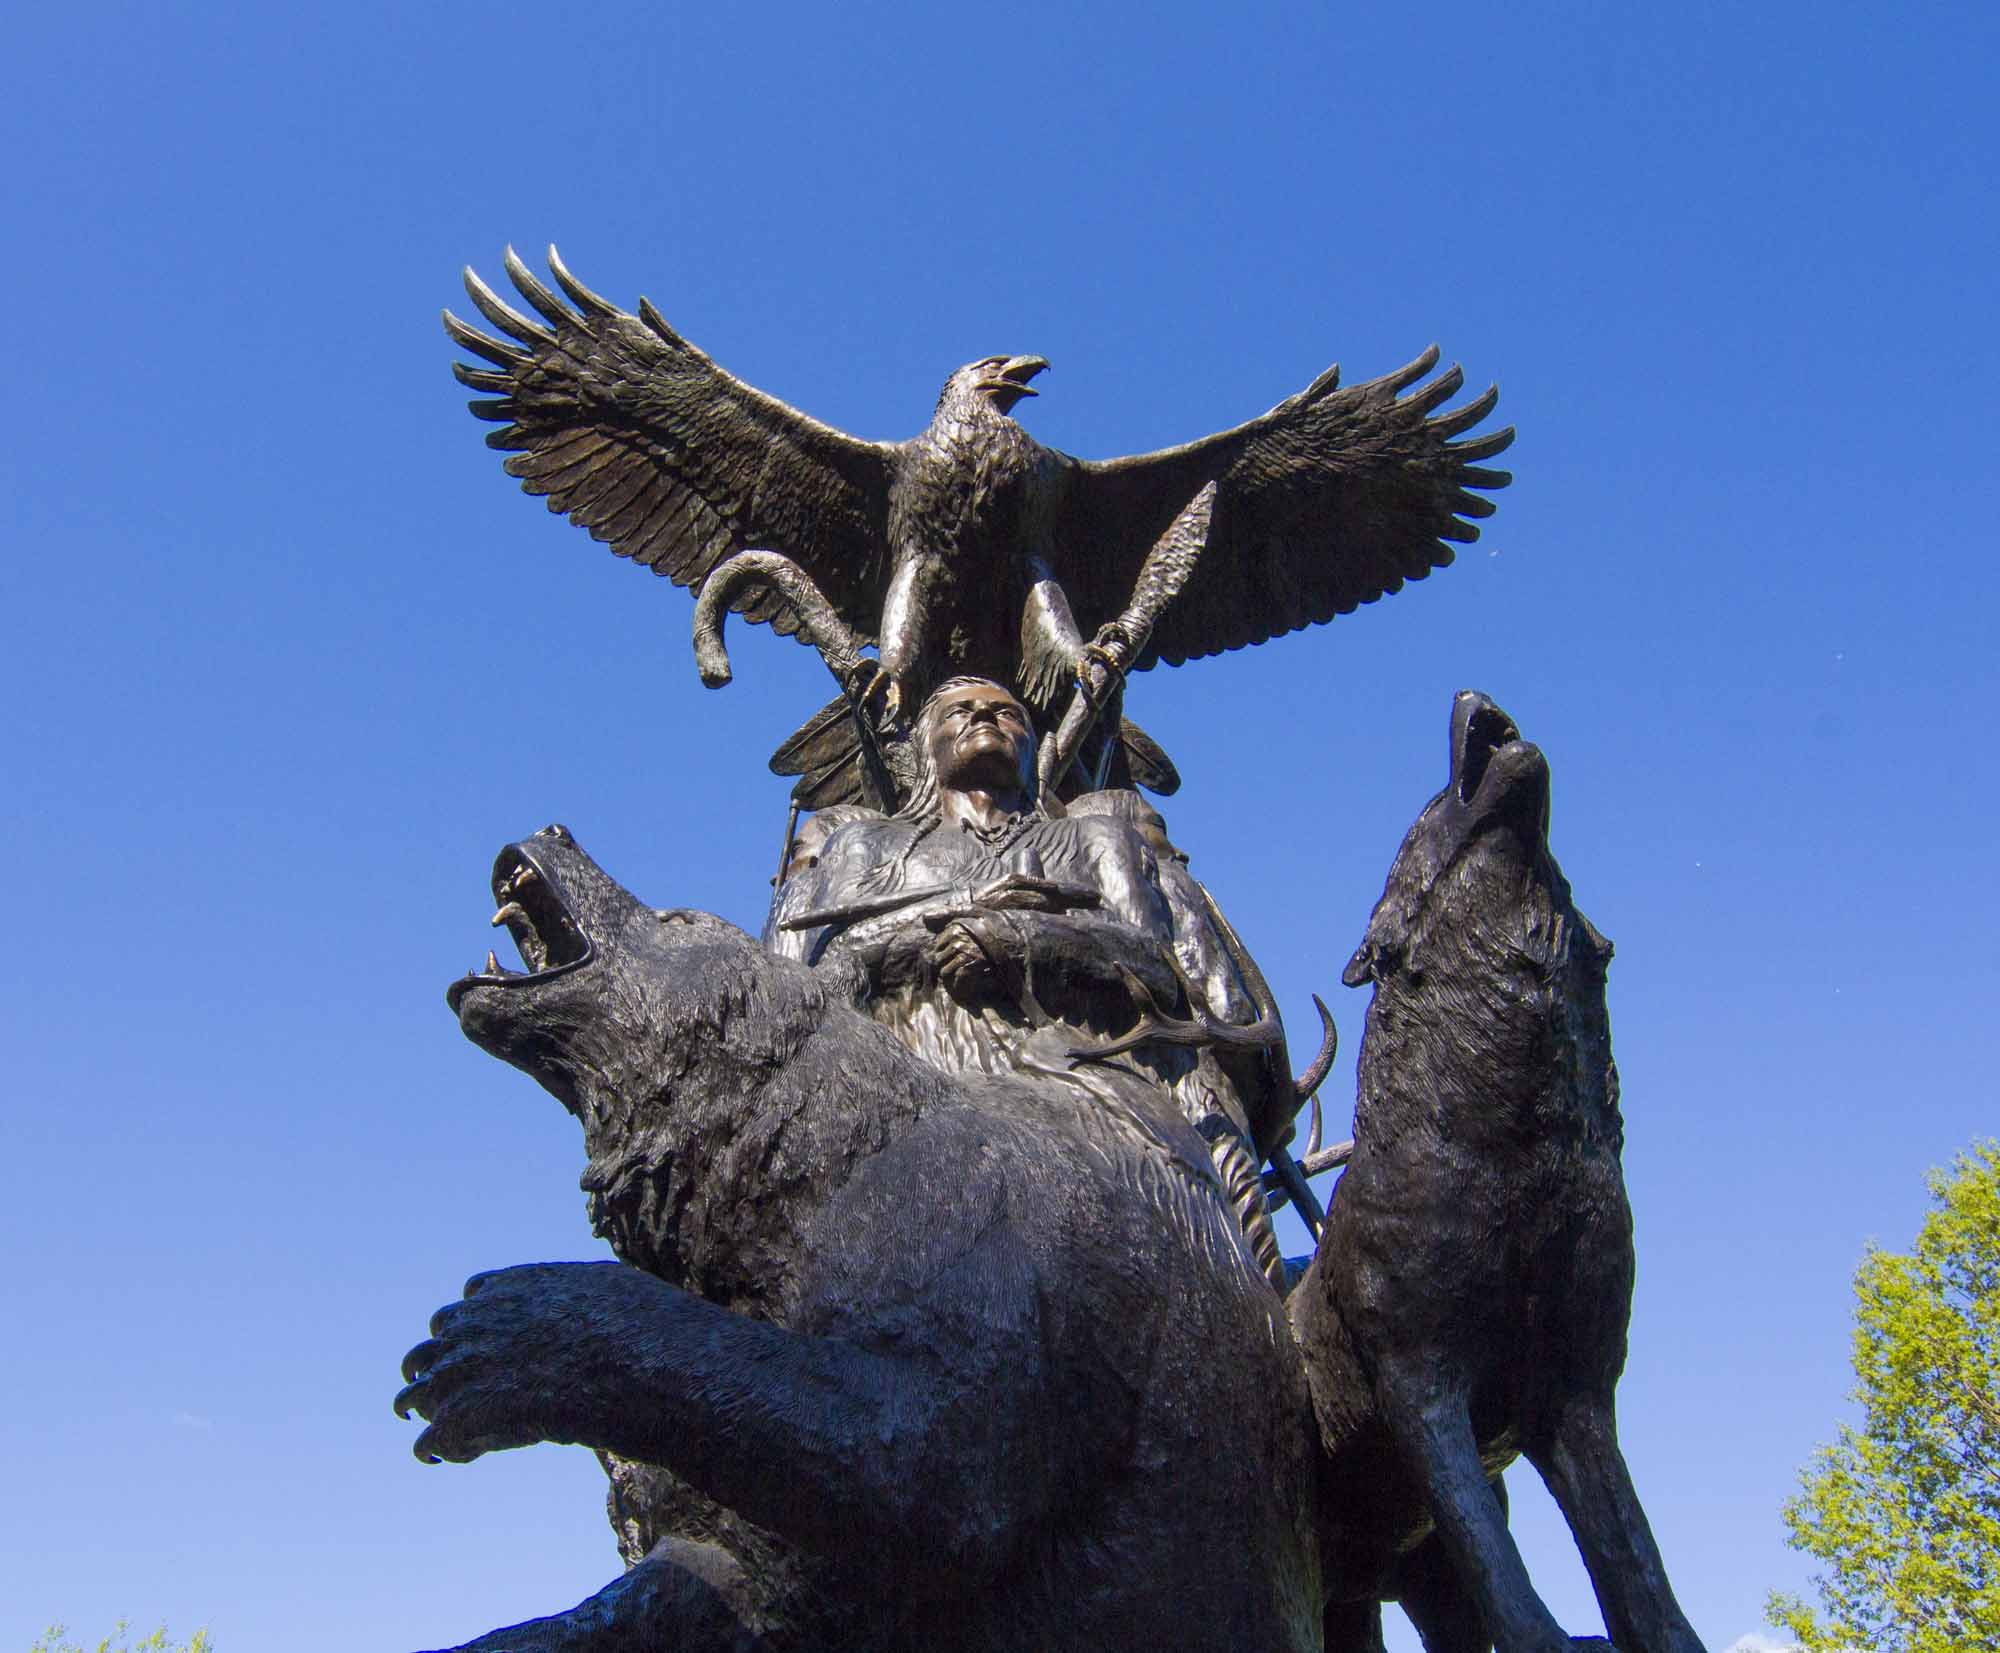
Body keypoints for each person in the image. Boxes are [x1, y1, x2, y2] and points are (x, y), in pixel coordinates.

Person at [765, 676, 1289, 1285]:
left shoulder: (1093, 837)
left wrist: (1027, 938)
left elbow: (1152, 965)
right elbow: (833, 972)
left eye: (1005, 712)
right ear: (924, 748)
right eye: (960, 711)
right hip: (916, 1078)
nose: (984, 717)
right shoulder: (869, 843)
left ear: (1032, 747)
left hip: (1090, 1074)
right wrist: (970, 904)